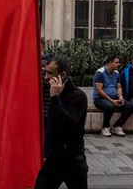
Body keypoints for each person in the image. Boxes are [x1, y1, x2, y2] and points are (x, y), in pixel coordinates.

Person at [34, 59, 88, 189]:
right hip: (53, 160)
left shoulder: (78, 96)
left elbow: (68, 123)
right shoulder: (52, 92)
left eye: (50, 73)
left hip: (73, 161)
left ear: (62, 74)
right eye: (45, 73)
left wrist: (56, 98)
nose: (46, 77)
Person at [93, 55, 133, 137]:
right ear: (110, 63)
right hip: (100, 99)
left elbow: (119, 87)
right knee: (110, 106)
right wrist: (111, 100)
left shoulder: (116, 73)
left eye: (119, 62)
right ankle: (105, 127)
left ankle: (117, 126)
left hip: (114, 98)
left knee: (130, 106)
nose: (119, 64)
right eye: (116, 62)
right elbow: (99, 90)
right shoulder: (100, 73)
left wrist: (120, 98)